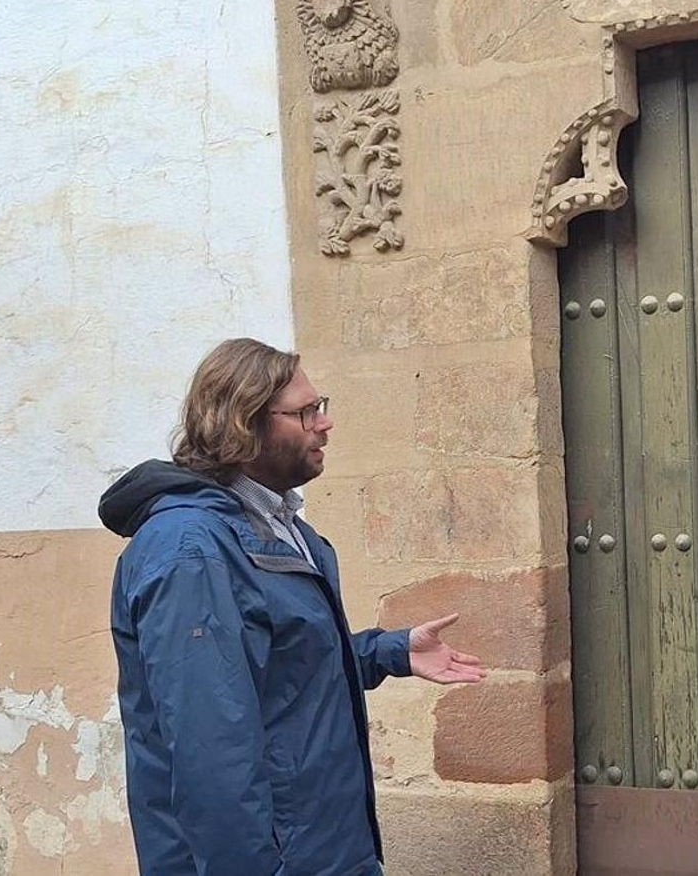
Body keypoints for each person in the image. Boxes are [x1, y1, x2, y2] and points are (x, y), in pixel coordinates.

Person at [99, 338, 485, 875]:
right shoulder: (190, 550)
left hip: (329, 850)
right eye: (305, 412)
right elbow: (211, 753)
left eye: (319, 406)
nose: (324, 424)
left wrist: (390, 651)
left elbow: (282, 666)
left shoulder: (280, 527)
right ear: (244, 424)